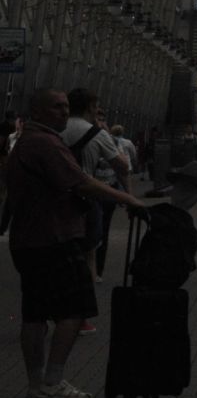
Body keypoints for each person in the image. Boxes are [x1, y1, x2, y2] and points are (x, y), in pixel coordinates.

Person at [6, 88, 151, 398]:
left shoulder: (25, 142)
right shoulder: (45, 144)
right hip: (54, 238)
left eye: (66, 106)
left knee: (34, 314)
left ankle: (36, 385)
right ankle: (53, 380)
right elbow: (81, 182)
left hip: (28, 240)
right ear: (38, 112)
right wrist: (127, 199)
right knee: (74, 309)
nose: (63, 112)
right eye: (57, 107)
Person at [64, 90, 128, 289]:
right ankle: (84, 305)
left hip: (55, 198)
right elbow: (122, 167)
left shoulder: (54, 129)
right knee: (89, 252)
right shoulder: (97, 133)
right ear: (90, 107)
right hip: (86, 197)